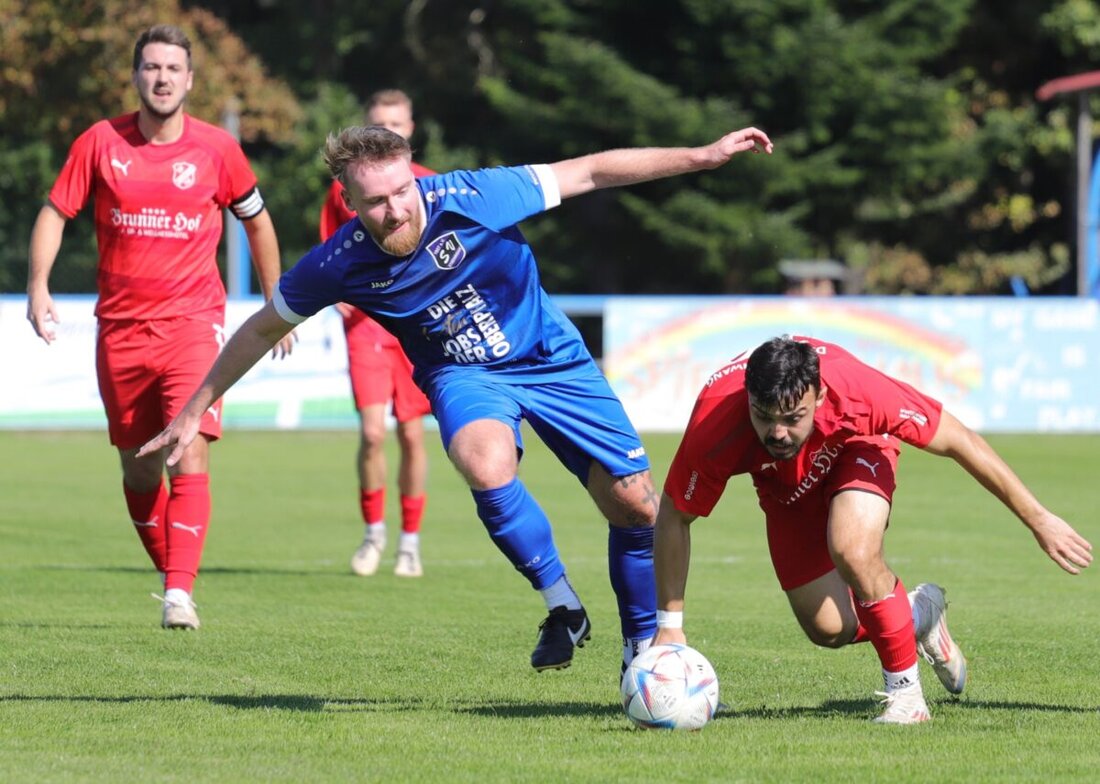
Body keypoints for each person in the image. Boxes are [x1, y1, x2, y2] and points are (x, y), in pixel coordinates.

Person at [138, 123, 774, 673]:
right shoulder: (337, 262)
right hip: (462, 374)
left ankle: (643, 649)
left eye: (402, 191)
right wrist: (196, 409)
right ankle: (562, 603)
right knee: (481, 460)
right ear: (348, 201)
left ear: (415, 177)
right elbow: (261, 327)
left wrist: (700, 156)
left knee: (636, 505)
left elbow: (589, 171)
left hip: (551, 356)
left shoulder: (473, 194)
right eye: (376, 201)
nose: (395, 210)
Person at [653, 335, 1093, 723]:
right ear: (747, 397)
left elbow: (960, 440)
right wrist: (670, 623)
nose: (778, 432)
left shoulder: (859, 390)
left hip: (858, 447)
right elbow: (675, 515)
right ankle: (919, 613)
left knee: (853, 549)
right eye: (764, 417)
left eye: (793, 417)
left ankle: (906, 698)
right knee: (829, 628)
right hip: (785, 489)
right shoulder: (717, 419)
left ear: (820, 395)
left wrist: (1038, 518)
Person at [26, 24, 294, 630]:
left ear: (190, 79)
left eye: (173, 68)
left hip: (194, 327)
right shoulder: (99, 141)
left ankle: (179, 595)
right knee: (138, 467)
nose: (162, 77)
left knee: (186, 448)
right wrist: (39, 282)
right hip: (119, 332)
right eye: (151, 67)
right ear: (136, 76)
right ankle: (174, 577)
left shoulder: (218, 150)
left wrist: (278, 297)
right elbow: (54, 211)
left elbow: (258, 221)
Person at [319, 90, 434, 578]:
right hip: (366, 324)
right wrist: (338, 292)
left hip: (413, 326)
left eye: (397, 124)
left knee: (411, 434)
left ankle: (410, 542)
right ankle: (374, 535)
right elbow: (330, 249)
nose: (389, 130)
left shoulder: (429, 184)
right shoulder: (345, 188)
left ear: (410, 129)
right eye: (379, 123)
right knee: (371, 433)